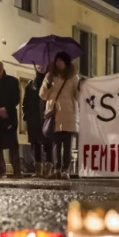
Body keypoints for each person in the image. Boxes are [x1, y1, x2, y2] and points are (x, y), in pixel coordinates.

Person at [40, 51, 80, 180]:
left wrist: (81, 88)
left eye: (61, 60)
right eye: (57, 60)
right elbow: (43, 95)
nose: (59, 63)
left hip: (69, 114)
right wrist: (47, 85)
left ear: (66, 62)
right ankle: (57, 169)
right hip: (54, 113)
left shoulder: (74, 77)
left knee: (67, 144)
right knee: (56, 144)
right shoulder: (49, 76)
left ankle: (65, 170)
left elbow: (78, 96)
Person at [24, 64, 52, 178]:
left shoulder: (50, 83)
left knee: (48, 143)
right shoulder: (30, 84)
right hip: (34, 118)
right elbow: (25, 102)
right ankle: (38, 169)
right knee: (35, 144)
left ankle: (48, 169)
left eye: (43, 64)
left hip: (46, 117)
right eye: (38, 65)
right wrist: (26, 115)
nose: (40, 67)